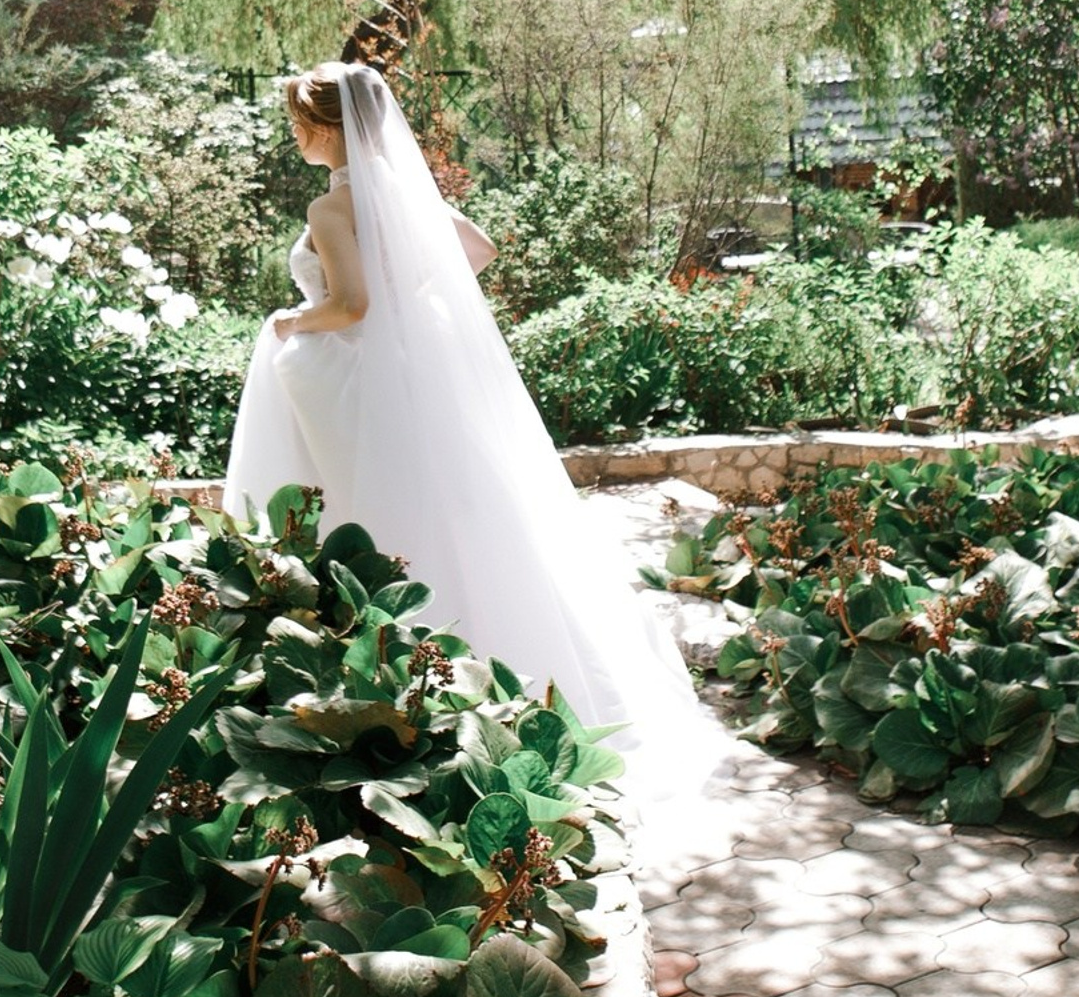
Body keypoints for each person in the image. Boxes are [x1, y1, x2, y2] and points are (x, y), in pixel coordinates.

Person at [224, 60, 715, 778]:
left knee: (363, 508)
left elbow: (351, 306)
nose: (295, 133)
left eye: (301, 122)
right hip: (410, 379)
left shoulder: (331, 210)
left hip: (352, 383)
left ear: (329, 128)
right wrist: (408, 308)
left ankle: (374, 674)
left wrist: (291, 320)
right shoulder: (398, 192)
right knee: (449, 508)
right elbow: (477, 251)